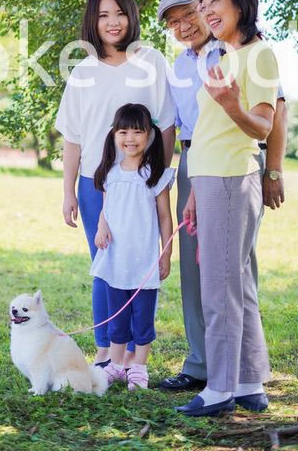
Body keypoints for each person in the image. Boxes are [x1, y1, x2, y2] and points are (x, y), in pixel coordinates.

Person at [156, 0, 287, 394]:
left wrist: (274, 171)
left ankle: (245, 373)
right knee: (197, 271)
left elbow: (275, 112)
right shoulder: (176, 67)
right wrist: (164, 178)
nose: (183, 26)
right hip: (194, 164)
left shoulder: (238, 49)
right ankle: (201, 363)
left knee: (234, 271)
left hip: (236, 162)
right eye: (173, 23)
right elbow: (170, 127)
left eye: (189, 14)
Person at [55, 0, 175, 367]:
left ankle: (137, 354)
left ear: (131, 17)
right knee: (103, 264)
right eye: (104, 15)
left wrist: (157, 176)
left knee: (138, 264)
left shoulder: (151, 61)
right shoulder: (82, 72)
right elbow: (73, 139)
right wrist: (69, 192)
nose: (113, 22)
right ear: (93, 20)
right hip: (96, 184)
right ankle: (106, 351)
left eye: (120, 13)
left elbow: (167, 125)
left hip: (141, 184)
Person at [91, 103, 174, 390]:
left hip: (144, 260)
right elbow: (106, 209)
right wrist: (102, 227)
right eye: (123, 131)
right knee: (117, 317)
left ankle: (138, 366)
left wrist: (166, 253)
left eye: (137, 132)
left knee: (142, 318)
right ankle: (115, 364)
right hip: (115, 258)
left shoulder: (154, 175)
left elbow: (165, 217)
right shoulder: (110, 173)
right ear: (114, 134)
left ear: (149, 135)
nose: (130, 138)